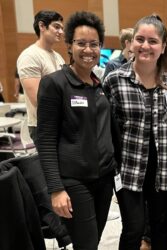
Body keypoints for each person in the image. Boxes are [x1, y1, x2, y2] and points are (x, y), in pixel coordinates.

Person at [36, 11, 118, 249]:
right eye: (81, 43)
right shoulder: (55, 83)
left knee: (93, 240)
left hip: (104, 180)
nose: (88, 50)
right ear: (69, 45)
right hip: (73, 181)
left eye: (94, 44)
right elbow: (46, 140)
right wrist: (55, 189)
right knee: (87, 243)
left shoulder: (99, 84)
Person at [103, 14, 167, 250]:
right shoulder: (114, 80)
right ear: (131, 42)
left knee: (160, 225)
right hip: (128, 167)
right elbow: (105, 129)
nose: (145, 46)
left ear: (163, 47)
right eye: (140, 39)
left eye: (153, 41)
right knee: (134, 227)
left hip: (162, 168)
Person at [17, 10, 64, 144]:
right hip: (43, 125)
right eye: (56, 27)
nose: (61, 32)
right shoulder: (30, 56)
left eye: (61, 28)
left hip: (61, 122)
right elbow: (39, 99)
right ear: (42, 26)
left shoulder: (57, 56)